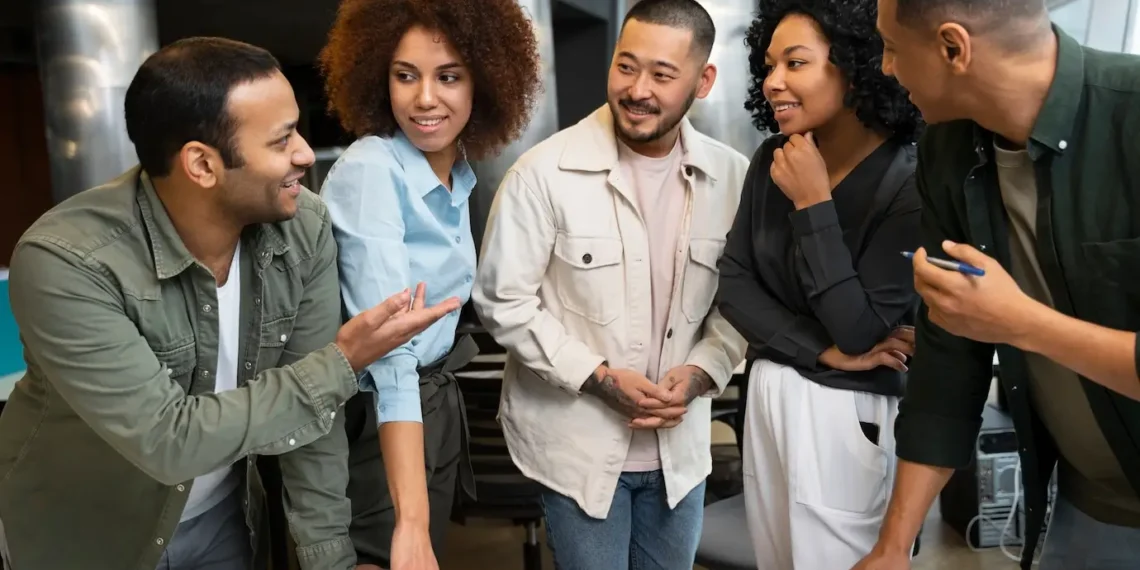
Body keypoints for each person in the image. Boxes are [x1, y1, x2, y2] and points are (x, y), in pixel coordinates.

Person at [0, 37, 457, 570]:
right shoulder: (68, 260)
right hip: (85, 537)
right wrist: (339, 364)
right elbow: (169, 441)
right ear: (202, 164)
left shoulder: (302, 226)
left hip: (224, 521)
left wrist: (329, 558)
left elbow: (313, 425)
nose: (306, 154)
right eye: (282, 139)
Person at [854, 0, 1140, 568]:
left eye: (891, 46)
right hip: (1090, 512)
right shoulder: (948, 151)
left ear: (953, 48)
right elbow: (946, 362)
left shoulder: (1129, 117)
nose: (885, 68)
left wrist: (1019, 323)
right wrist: (891, 550)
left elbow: (999, 320)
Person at [472, 0, 749, 567]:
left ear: (703, 81)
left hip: (681, 458)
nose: (638, 89)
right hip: (577, 454)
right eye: (626, 66)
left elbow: (742, 302)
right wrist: (597, 378)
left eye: (663, 75)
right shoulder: (542, 174)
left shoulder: (733, 177)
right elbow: (503, 302)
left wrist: (702, 371)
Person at [317, 1, 544, 568]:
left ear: (484, 84)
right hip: (380, 420)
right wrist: (411, 522)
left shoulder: (453, 176)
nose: (424, 98)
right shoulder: (374, 170)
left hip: (434, 405)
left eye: (448, 77)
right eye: (404, 75)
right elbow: (388, 352)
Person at [715, 0, 925, 567]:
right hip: (766, 394)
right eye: (768, 65)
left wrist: (813, 202)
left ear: (856, 65)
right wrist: (818, 350)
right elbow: (732, 283)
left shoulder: (909, 181)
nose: (773, 80)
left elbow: (859, 331)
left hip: (845, 413)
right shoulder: (771, 158)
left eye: (795, 63)